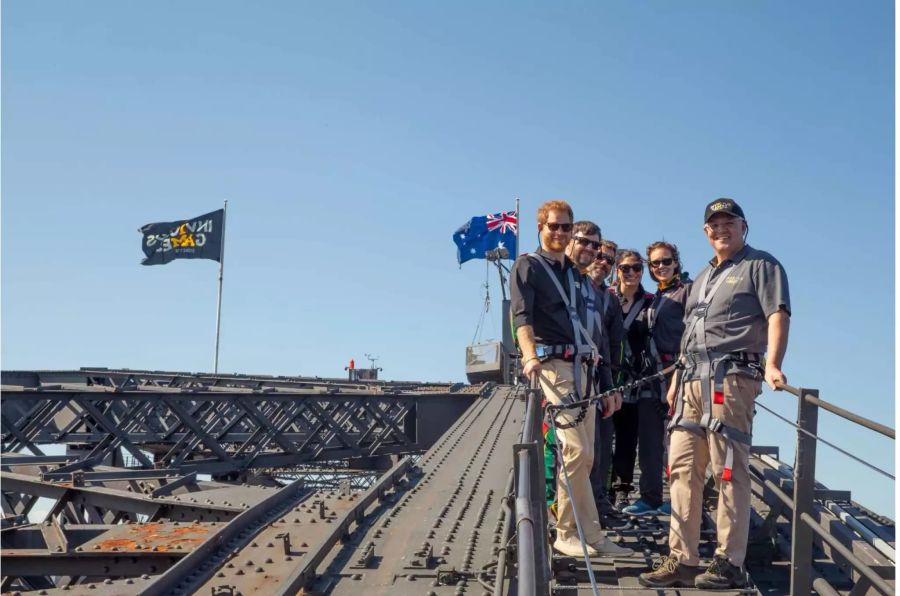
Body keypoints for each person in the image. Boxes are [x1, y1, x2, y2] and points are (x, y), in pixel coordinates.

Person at [639, 198, 790, 589]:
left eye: (729, 223)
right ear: (706, 233)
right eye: (714, 225)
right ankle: (683, 558)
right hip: (689, 379)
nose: (721, 229)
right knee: (683, 471)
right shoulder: (703, 276)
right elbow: (691, 331)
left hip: (731, 376)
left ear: (743, 226)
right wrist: (674, 380)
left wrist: (772, 364)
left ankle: (729, 561)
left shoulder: (762, 265)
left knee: (728, 470)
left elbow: (778, 314)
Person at [511, 200, 632, 558]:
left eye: (566, 227)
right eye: (554, 227)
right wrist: (530, 357)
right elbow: (521, 318)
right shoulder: (527, 267)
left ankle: (591, 534)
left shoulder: (574, 274)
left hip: (583, 367)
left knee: (588, 455)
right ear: (541, 228)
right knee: (574, 451)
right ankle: (565, 532)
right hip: (554, 365)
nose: (560, 233)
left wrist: (603, 375)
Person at [621, 241, 690, 516]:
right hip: (651, 378)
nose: (660, 267)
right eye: (655, 263)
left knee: (678, 441)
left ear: (676, 262)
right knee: (649, 440)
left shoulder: (688, 292)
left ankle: (681, 499)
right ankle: (650, 497)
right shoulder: (656, 296)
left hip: (677, 374)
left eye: (666, 261)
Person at [610, 250, 667, 516]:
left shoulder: (651, 303)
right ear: (617, 270)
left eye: (636, 268)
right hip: (607, 380)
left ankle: (621, 491)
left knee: (627, 437)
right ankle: (601, 490)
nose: (631, 273)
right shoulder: (607, 299)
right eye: (625, 268)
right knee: (599, 438)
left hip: (637, 383)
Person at [585, 238, 625, 519]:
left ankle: (597, 503)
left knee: (600, 444)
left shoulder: (609, 299)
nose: (603, 262)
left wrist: (612, 385)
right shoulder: (572, 285)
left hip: (599, 379)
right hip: (570, 375)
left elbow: (611, 345)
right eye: (598, 255)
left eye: (609, 260)